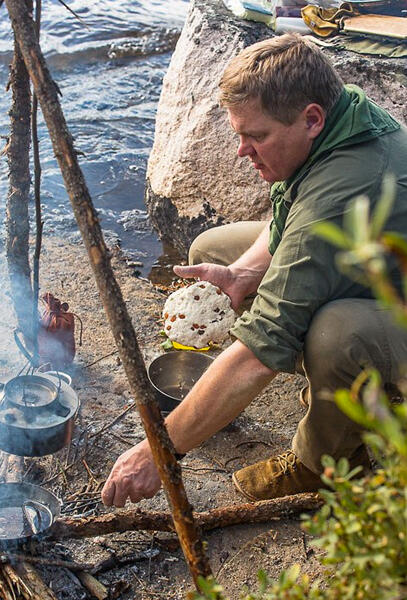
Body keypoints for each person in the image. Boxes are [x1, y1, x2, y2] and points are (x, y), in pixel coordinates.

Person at [102, 33, 407, 507]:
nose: (242, 152)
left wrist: (158, 452)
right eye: (238, 134)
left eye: (257, 136)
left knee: (334, 332)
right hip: (379, 265)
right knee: (215, 249)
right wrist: (244, 275)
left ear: (310, 119)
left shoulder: (341, 192)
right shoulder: (341, 114)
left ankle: (323, 465)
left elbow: (260, 352)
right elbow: (293, 214)